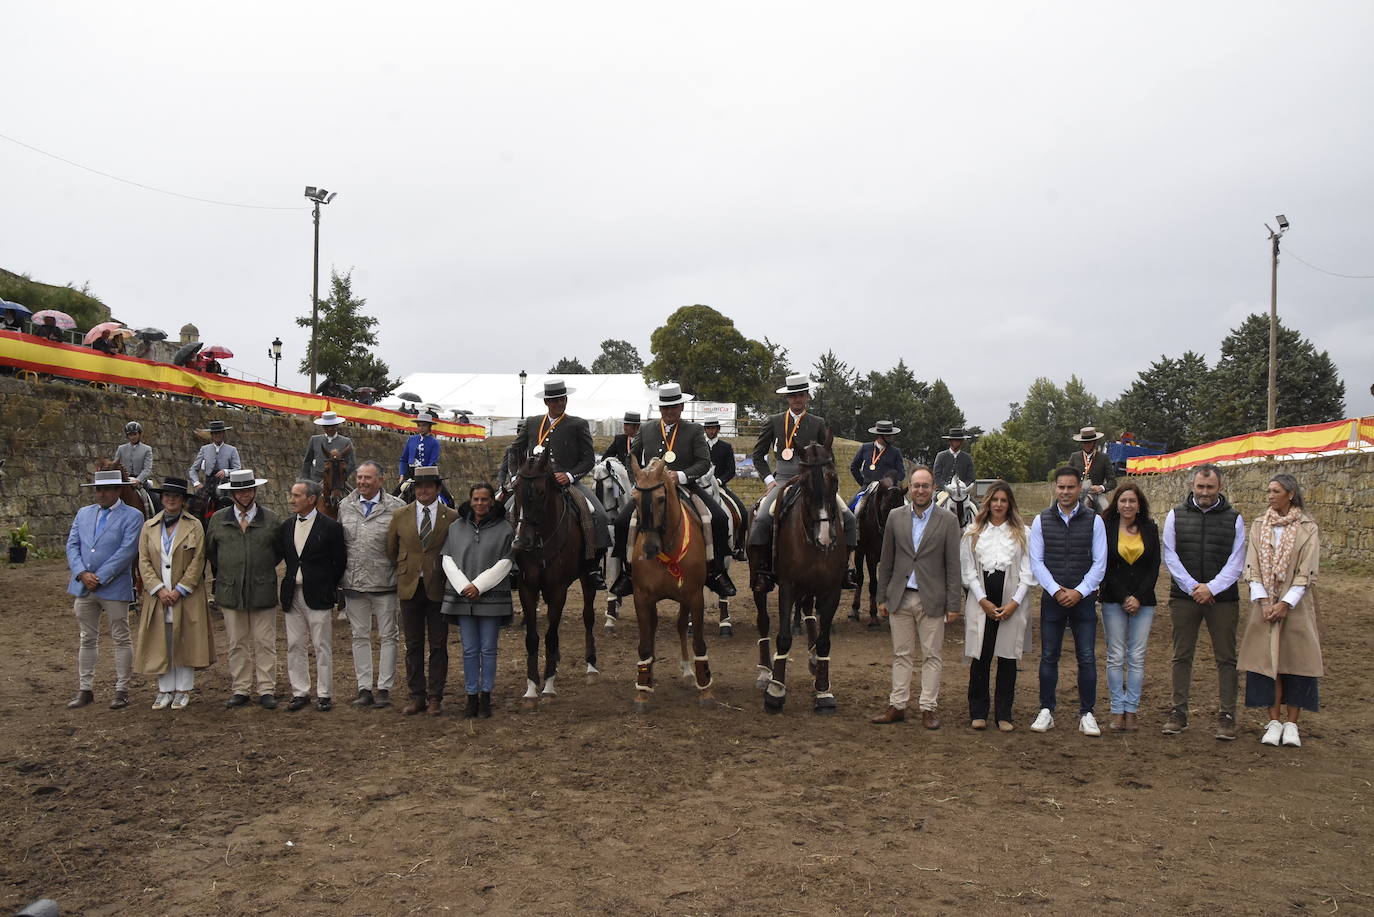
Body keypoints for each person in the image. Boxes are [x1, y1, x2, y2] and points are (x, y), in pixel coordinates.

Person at [610, 383, 736, 597]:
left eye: (674, 407)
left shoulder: (694, 430)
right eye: (665, 408)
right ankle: (628, 573)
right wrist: (638, 481)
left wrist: (680, 476)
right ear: (660, 409)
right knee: (622, 521)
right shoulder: (647, 428)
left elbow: (704, 462)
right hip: (651, 490)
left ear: (681, 407)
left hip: (686, 486)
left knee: (719, 518)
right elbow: (631, 457)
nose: (669, 412)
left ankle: (716, 571)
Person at [870, 467, 962, 728]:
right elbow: (886, 560)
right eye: (916, 485)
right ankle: (897, 705)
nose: (920, 490)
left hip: (932, 598)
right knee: (901, 654)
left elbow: (953, 566)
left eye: (925, 485)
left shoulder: (948, 521)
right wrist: (881, 597)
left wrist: (953, 604)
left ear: (933, 489)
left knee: (932, 656)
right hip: (900, 596)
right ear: (909, 488)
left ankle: (928, 708)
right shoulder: (895, 517)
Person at [1160, 463, 1247, 740]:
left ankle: (1227, 715)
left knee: (1226, 658)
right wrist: (1192, 587)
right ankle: (1178, 712)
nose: (1205, 492)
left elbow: (1237, 560)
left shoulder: (1235, 518)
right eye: (1200, 487)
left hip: (1222, 599)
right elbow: (1170, 555)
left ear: (1219, 487)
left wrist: (1212, 588)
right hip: (1184, 597)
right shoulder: (1176, 515)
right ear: (1192, 486)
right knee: (1181, 654)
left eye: (1210, 487)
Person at [749, 374, 859, 589]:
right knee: (762, 518)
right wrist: (769, 479)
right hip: (782, 478)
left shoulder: (817, 423)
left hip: (814, 481)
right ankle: (763, 569)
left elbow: (828, 456)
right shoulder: (774, 421)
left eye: (801, 395)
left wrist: (827, 481)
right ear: (787, 398)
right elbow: (758, 454)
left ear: (807, 397)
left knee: (850, 517)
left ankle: (845, 568)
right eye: (793, 396)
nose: (797, 399)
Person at [1239, 474, 1322, 748]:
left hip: (1295, 606)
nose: (1270, 496)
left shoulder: (1308, 528)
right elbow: (1251, 565)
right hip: (1264, 605)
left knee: (1295, 663)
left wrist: (1286, 603)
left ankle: (1292, 724)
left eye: (1275, 491)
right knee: (1267, 664)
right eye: (1268, 491)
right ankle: (1273, 720)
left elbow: (1307, 570)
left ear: (1290, 494)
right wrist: (1264, 601)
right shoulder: (1260, 525)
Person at [1028, 466, 1107, 737]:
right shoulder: (1041, 520)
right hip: (1053, 598)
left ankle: (1087, 713)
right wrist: (1055, 590)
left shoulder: (1095, 520)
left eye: (1070, 487)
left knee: (1086, 657)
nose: (1065, 492)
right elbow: (1036, 561)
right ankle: (1046, 709)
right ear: (1055, 488)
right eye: (1061, 487)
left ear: (1078, 489)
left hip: (1082, 599)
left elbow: (1100, 562)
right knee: (1049, 655)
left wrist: (1080, 591)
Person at [511, 378, 610, 589]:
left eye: (562, 399)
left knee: (598, 515)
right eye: (555, 400)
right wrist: (515, 476)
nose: (559, 403)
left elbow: (588, 460)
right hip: (533, 483)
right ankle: (510, 563)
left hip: (565, 482)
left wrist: (570, 475)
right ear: (547, 402)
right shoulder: (532, 422)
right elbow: (514, 451)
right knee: (505, 510)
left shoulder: (577, 424)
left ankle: (592, 567)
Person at [132, 478, 216, 710]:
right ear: (161, 498)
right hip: (158, 596)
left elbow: (199, 560)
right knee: (162, 640)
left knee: (185, 640)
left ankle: (183, 690)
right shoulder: (149, 526)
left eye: (176, 496)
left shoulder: (195, 525)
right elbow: (144, 560)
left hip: (186, 596)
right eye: (167, 495)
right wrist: (158, 589)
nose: (171, 499)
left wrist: (179, 590)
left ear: (183, 500)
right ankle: (165, 690)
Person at [64, 469, 145, 709]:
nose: (100, 494)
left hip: (114, 585)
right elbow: (72, 545)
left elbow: (127, 551)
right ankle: (85, 688)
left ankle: (122, 689)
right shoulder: (83, 513)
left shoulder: (133, 516)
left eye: (106, 489)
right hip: (84, 585)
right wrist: (81, 573)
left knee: (121, 637)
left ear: (118, 490)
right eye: (98, 489)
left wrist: (99, 577)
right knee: (86, 638)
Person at [204, 468, 282, 709]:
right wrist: (232, 572)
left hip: (262, 589)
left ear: (255, 490)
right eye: (240, 491)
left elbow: (278, 553)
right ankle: (241, 688)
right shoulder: (218, 520)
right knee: (236, 642)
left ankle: (266, 688)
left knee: (265, 642)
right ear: (232, 494)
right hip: (231, 590)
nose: (245, 494)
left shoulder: (271, 519)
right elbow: (212, 553)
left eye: (249, 489)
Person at [960, 481, 1033, 732]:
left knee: (1007, 658)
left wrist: (1014, 603)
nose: (999, 505)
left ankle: (1004, 713)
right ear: (988, 502)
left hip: (1012, 602)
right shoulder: (973, 532)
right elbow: (968, 572)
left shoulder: (1023, 533)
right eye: (995, 500)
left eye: (1003, 500)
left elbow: (1028, 572)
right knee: (981, 656)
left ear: (1009, 503)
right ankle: (978, 711)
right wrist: (982, 600)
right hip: (982, 603)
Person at [386, 466, 458, 716]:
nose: (424, 490)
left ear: (438, 489)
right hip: (409, 587)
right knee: (413, 644)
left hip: (438, 587)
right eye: (419, 486)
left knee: (438, 645)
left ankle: (436, 696)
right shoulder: (400, 515)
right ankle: (416, 695)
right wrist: (407, 569)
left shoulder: (452, 517)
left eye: (429, 486)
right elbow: (391, 549)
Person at [440, 482, 515, 719]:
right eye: (476, 499)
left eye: (485, 499)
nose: (480, 504)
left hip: (491, 598)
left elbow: (507, 561)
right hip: (464, 599)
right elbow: (447, 558)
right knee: (470, 650)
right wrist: (464, 587)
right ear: (470, 501)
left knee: (489, 649)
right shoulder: (455, 527)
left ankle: (486, 696)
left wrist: (479, 586)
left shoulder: (505, 529)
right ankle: (471, 696)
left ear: (492, 501)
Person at [337, 460, 405, 708]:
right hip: (354, 583)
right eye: (359, 478)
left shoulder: (397, 508)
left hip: (385, 582)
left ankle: (384, 688)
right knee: (359, 636)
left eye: (367, 478)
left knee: (389, 636)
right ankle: (364, 687)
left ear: (381, 480)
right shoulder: (345, 506)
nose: (362, 482)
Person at [278, 480, 347, 712]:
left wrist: (328, 585)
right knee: (294, 644)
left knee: (321, 645)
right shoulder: (287, 526)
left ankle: (324, 693)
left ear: (311, 499)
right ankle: (300, 691)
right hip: (292, 593)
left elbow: (339, 561)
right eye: (292, 494)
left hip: (319, 593)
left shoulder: (330, 527)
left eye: (297, 495)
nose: (292, 499)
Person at [1099, 481, 1160, 732]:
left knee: (1136, 657)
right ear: (1117, 503)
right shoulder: (1106, 527)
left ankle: (1131, 710)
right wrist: (1125, 596)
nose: (1127, 505)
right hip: (1114, 599)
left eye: (1131, 501)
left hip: (1143, 602)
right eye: (1123, 501)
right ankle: (1116, 709)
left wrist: (1138, 596)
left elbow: (1154, 566)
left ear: (1139, 504)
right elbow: (1104, 566)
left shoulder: (1150, 528)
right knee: (1115, 656)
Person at [849, 419, 907, 512]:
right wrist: (864, 482)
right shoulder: (865, 448)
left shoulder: (895, 452)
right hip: (869, 487)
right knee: (852, 507)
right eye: (889, 435)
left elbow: (901, 472)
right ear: (882, 436)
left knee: (906, 509)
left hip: (889, 489)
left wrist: (894, 484)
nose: (892, 437)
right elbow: (854, 467)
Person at [1067, 426, 1117, 511]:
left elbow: (1112, 482)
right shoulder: (1074, 457)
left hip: (1096, 494)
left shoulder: (1103, 458)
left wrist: (1101, 488)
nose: (1087, 445)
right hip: (1078, 493)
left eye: (1090, 442)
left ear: (1095, 442)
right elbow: (1067, 477)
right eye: (1085, 442)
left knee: (1106, 509)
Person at [301, 411, 356, 484]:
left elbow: (351, 464)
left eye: (332, 426)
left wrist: (342, 476)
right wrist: (306, 479)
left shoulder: (346, 442)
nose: (330, 429)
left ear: (336, 426)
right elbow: (307, 461)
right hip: (316, 480)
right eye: (327, 426)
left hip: (337, 481)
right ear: (323, 426)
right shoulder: (314, 440)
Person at [188, 420, 242, 494]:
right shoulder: (204, 449)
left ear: (223, 434)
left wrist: (226, 472)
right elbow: (193, 469)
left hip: (226, 485)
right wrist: (196, 483)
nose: (217, 435)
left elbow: (237, 469)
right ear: (212, 435)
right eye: (215, 433)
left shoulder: (232, 450)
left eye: (219, 432)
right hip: (208, 485)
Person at [113, 421, 154, 507]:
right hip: (124, 481)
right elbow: (115, 465)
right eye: (130, 435)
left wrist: (138, 480)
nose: (133, 437)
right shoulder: (121, 449)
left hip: (140, 482)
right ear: (127, 436)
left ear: (139, 434)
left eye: (135, 434)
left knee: (155, 499)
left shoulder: (147, 449)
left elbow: (147, 469)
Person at [398, 411, 442, 483]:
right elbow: (403, 459)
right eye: (419, 425)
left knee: (442, 492)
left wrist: (423, 475)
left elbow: (432, 462)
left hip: (426, 474)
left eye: (424, 425)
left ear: (429, 426)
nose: (421, 428)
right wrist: (402, 474)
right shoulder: (411, 439)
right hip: (409, 473)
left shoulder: (434, 442)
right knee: (397, 492)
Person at [932, 428, 976, 493]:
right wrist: (946, 486)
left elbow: (971, 478)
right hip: (943, 491)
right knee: (934, 502)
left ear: (962, 442)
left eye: (958, 440)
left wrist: (962, 486)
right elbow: (936, 476)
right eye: (954, 440)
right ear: (950, 441)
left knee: (975, 503)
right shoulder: (941, 456)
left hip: (962, 492)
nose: (956, 442)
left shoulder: (967, 458)